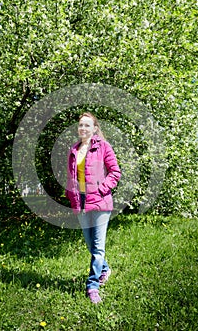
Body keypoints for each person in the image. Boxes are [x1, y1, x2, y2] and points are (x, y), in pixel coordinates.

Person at [66, 112, 121, 303]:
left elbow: (115, 172)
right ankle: (104, 269)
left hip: (100, 202)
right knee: (90, 245)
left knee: (98, 247)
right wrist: (71, 196)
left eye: (87, 125)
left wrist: (101, 189)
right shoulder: (74, 150)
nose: (83, 128)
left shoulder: (103, 147)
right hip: (80, 202)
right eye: (81, 125)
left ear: (94, 128)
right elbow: (71, 178)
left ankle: (93, 286)